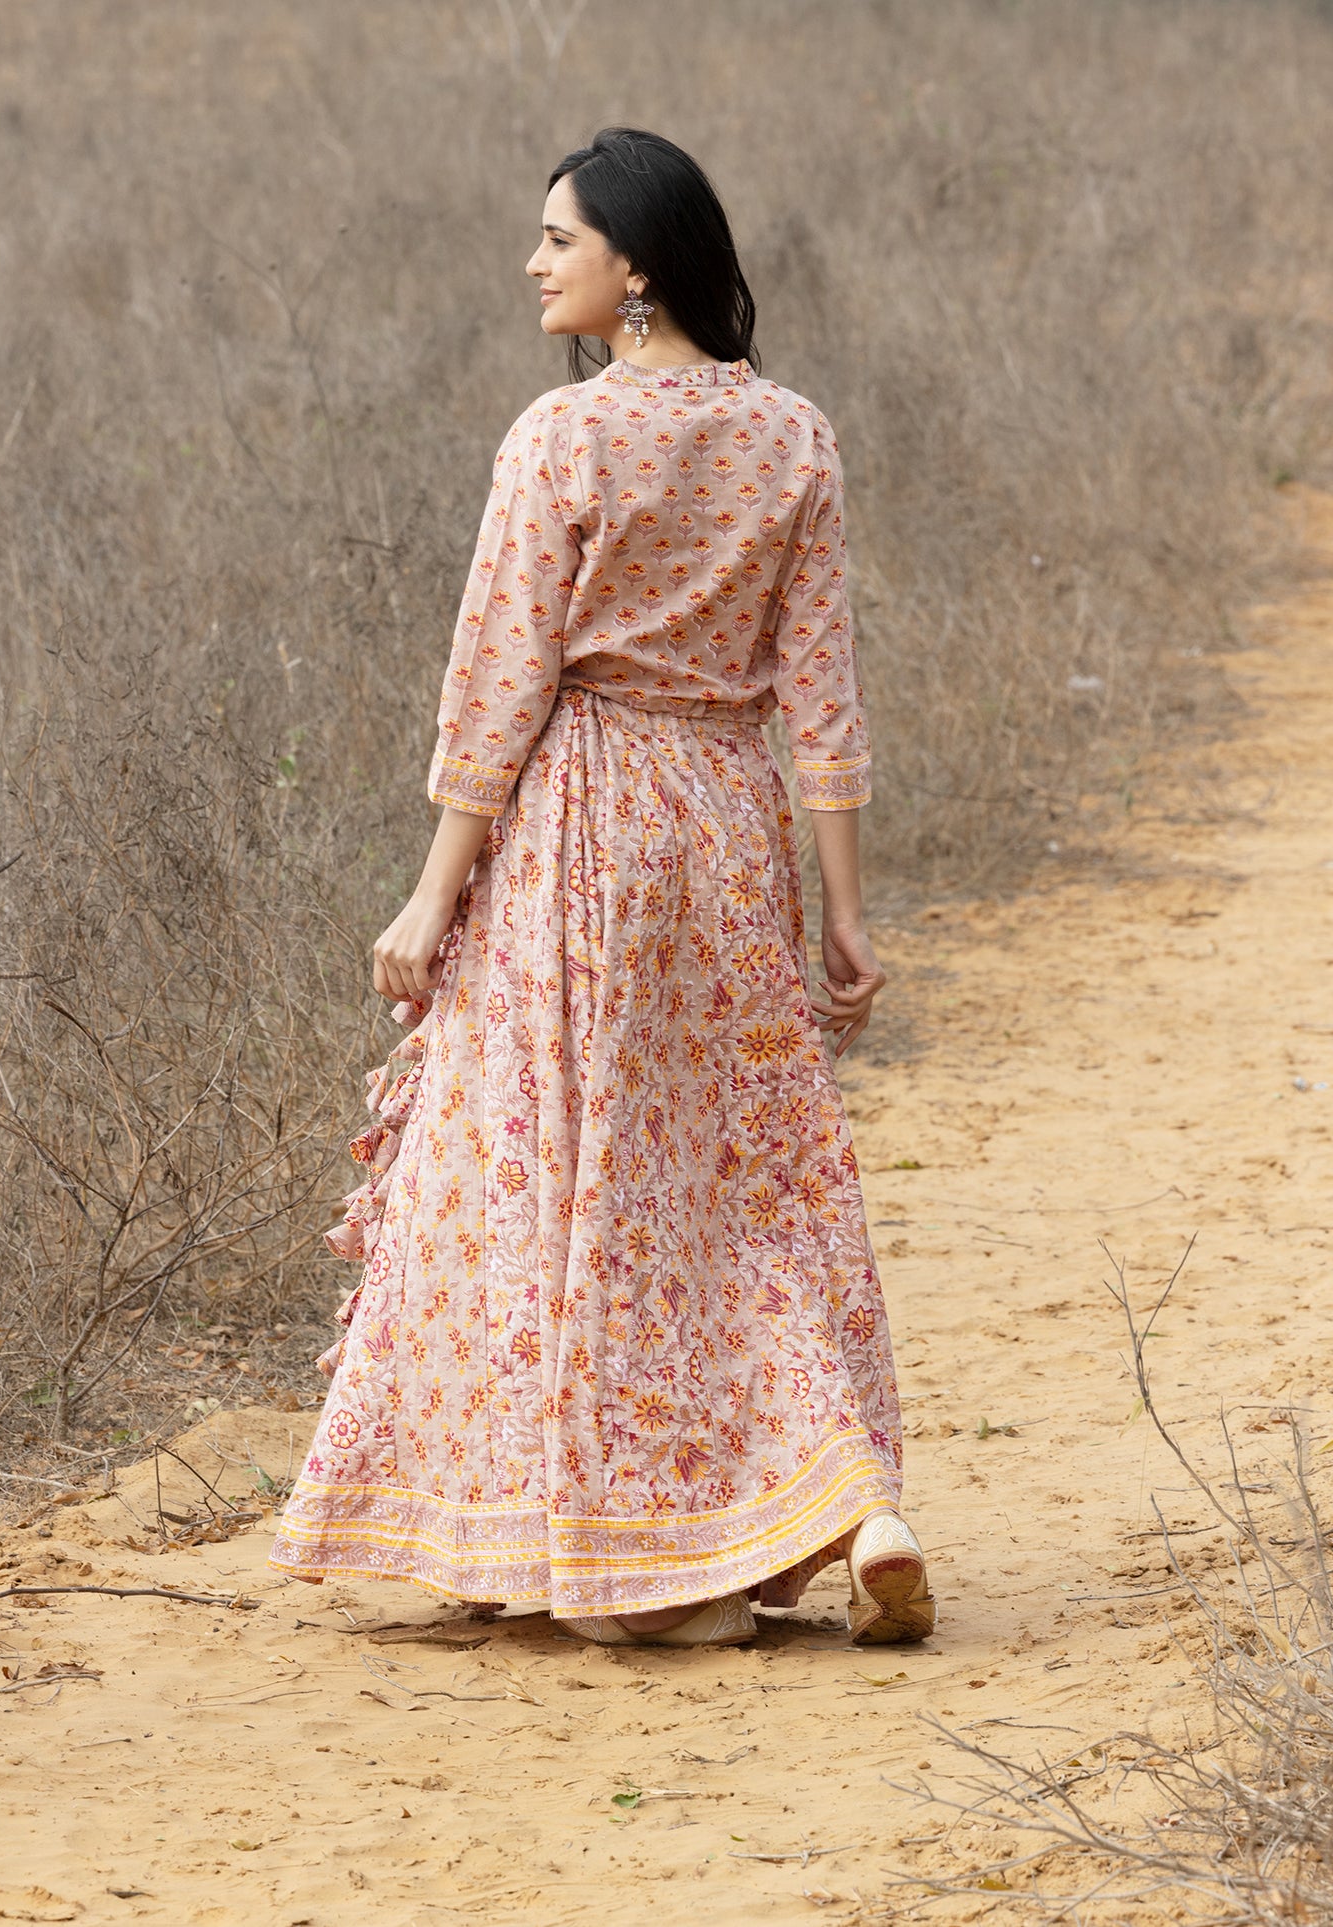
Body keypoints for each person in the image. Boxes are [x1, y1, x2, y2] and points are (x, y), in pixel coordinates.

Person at [270, 127, 934, 1649]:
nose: (535, 262)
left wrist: (432, 896)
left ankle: (622, 1545)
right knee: (757, 1180)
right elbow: (820, 702)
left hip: (579, 832)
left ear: (634, 264)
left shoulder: (560, 442)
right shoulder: (794, 437)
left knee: (576, 1183)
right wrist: (840, 910)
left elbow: (497, 689)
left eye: (557, 238)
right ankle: (848, 1491)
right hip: (727, 829)